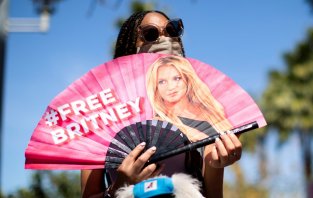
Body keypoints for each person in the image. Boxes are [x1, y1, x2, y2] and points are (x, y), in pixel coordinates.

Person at [81, 10, 242, 198]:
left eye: (172, 30)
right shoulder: (104, 115)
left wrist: (216, 165)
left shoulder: (200, 116)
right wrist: (119, 186)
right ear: (130, 47)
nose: (164, 39)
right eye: (151, 34)